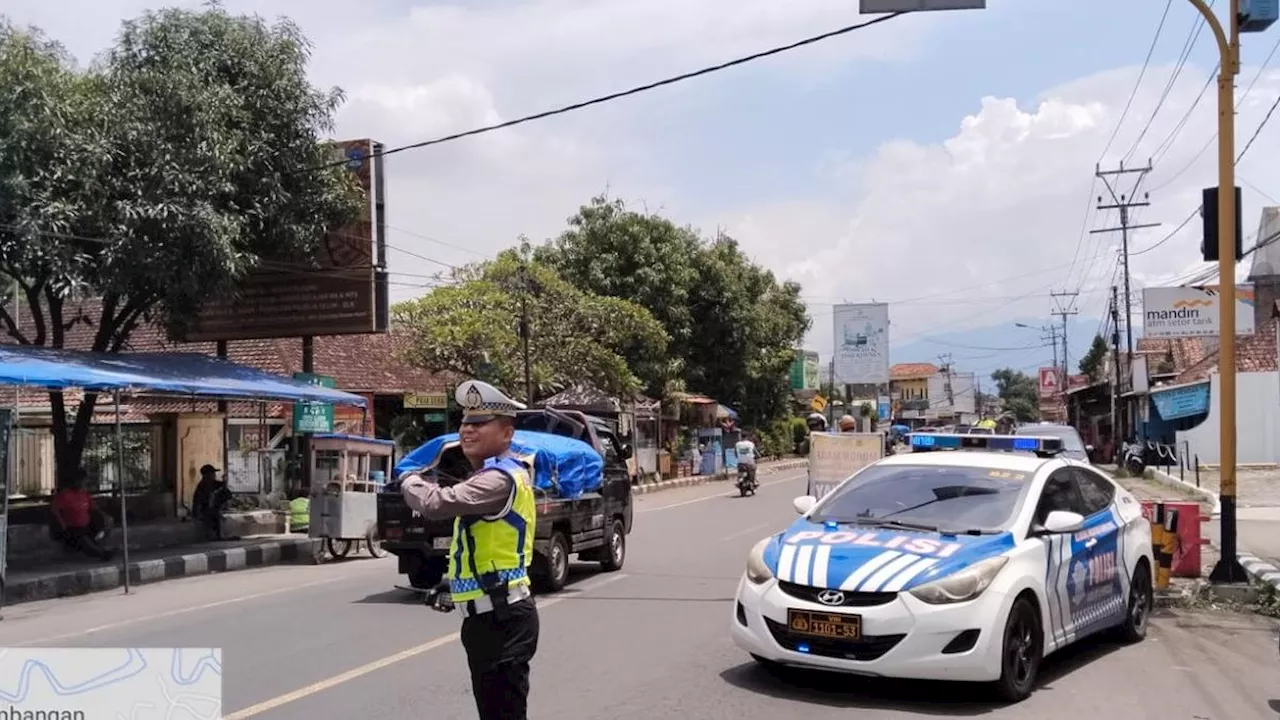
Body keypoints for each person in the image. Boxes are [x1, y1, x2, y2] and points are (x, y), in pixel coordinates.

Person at [399, 380, 539, 720]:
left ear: (506, 434)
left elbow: (437, 502)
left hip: (503, 620)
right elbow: (480, 548)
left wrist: (408, 479)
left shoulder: (499, 479)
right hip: (488, 618)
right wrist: (454, 585)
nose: (467, 430)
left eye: (479, 424)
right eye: (464, 423)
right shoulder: (488, 475)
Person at [50, 468, 114, 560]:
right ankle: (100, 553)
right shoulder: (65, 495)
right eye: (80, 481)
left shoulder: (84, 493)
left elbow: (94, 507)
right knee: (82, 539)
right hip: (72, 528)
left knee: (102, 526)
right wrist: (62, 524)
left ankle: (102, 546)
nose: (82, 483)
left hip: (86, 526)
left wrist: (105, 516)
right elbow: (54, 510)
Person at [191, 464, 230, 539]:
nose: (214, 475)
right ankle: (216, 535)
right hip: (204, 511)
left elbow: (227, 494)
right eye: (212, 473)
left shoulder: (215, 484)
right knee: (213, 516)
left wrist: (224, 483)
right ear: (206, 475)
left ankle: (218, 534)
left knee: (216, 513)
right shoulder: (202, 486)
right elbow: (198, 503)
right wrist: (198, 515)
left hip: (213, 509)